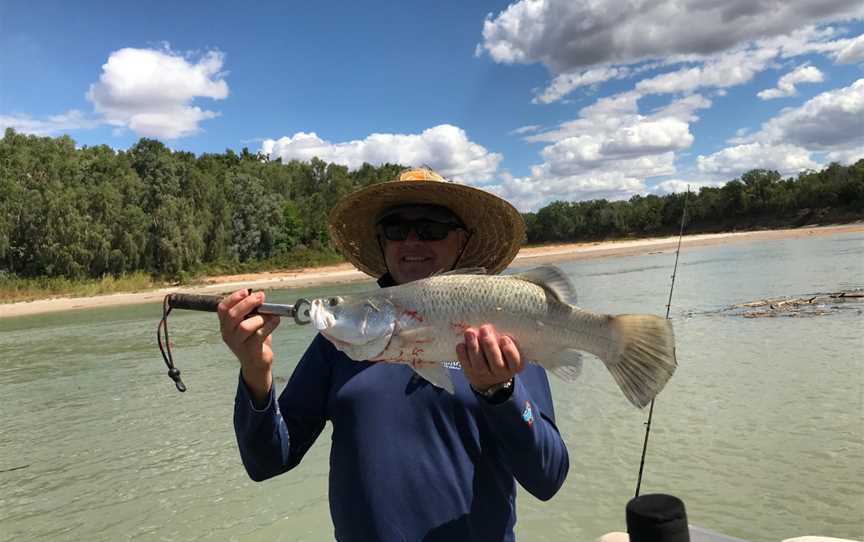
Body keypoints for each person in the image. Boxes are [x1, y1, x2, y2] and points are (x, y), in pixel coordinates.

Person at [218, 167, 569, 541]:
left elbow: (548, 476)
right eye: (395, 229)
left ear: (462, 241)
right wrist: (256, 375)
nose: (412, 241)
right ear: (382, 243)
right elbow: (267, 461)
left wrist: (502, 393)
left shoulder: (500, 329)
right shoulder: (340, 342)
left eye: (433, 227)